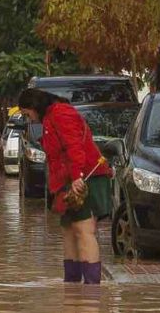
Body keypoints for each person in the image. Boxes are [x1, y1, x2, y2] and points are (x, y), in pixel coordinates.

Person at [18, 88, 113, 285]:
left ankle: (91, 290)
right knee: (69, 229)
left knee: (83, 229)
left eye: (27, 113)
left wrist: (77, 176)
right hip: (67, 181)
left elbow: (74, 146)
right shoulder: (50, 117)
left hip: (85, 177)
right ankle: (72, 286)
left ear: (35, 107)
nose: (29, 119)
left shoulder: (61, 113)